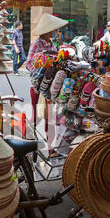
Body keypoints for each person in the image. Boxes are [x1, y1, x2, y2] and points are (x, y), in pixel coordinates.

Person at [26, 13, 68, 157]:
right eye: (52, 29)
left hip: (49, 87)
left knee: (49, 118)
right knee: (36, 117)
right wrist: (39, 71)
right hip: (37, 87)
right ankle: (26, 139)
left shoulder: (52, 45)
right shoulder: (37, 44)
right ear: (47, 30)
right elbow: (29, 64)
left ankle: (50, 149)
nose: (54, 32)